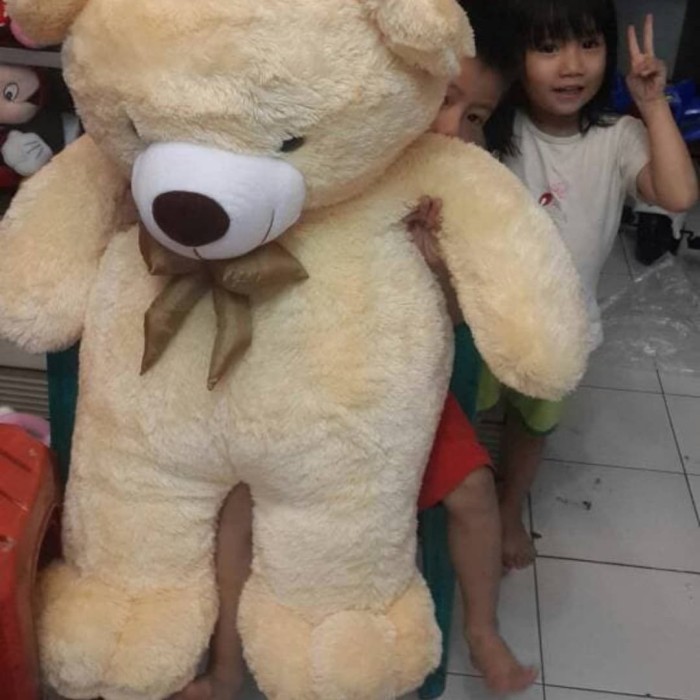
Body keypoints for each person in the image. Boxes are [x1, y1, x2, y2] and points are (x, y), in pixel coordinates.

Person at [172, 1, 539, 697]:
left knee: (472, 491)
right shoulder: (321, 158)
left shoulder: (454, 188)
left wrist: (435, 265)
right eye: (446, 100)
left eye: (476, 116)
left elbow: (458, 322)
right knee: (240, 505)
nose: (452, 128)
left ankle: (482, 629)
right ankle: (224, 669)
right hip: (286, 392)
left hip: (391, 401)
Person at [477, 0, 699, 571]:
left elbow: (678, 194)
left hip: (564, 329)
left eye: (589, 44)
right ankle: (468, 509)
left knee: (533, 425)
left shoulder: (618, 137)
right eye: (548, 48)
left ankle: (508, 509)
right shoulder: (497, 126)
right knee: (470, 416)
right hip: (486, 320)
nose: (572, 65)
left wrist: (653, 105)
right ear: (517, 55)